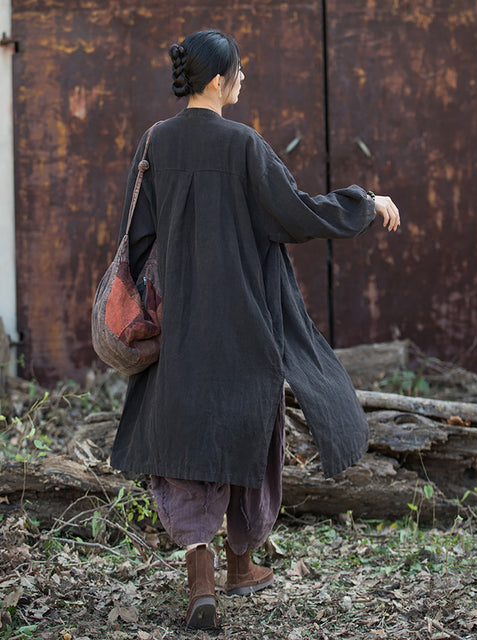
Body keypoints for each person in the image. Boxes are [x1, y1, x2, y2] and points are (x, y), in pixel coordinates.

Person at [110, 29, 400, 629]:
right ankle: (241, 567)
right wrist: (365, 203)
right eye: (239, 73)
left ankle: (203, 589)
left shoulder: (155, 142)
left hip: (178, 332)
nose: (243, 81)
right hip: (244, 324)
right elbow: (295, 214)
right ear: (218, 81)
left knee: (187, 451)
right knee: (247, 439)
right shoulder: (243, 145)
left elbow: (137, 239)